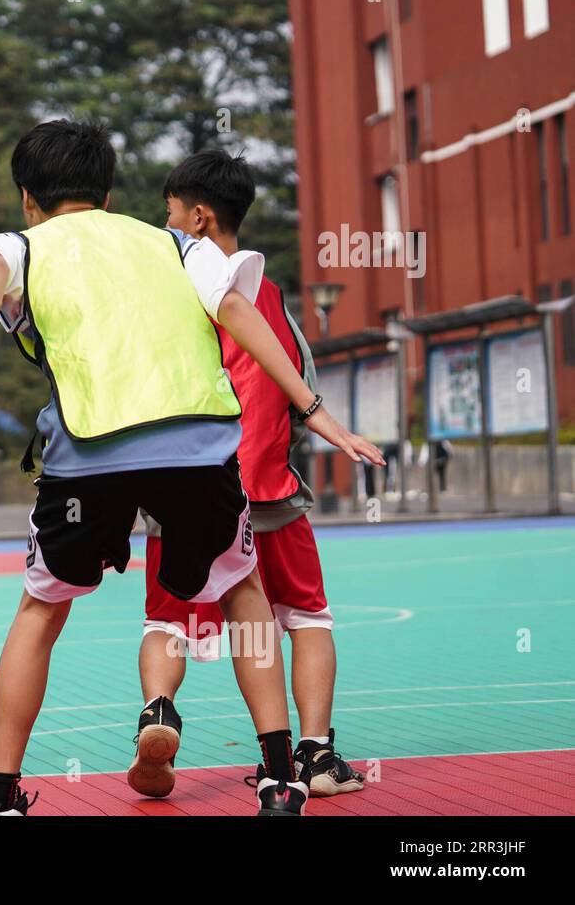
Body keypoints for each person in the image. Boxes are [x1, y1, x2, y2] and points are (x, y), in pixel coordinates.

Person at [0, 120, 383, 816]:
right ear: (106, 193)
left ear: (26, 197)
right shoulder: (174, 242)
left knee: (40, 610)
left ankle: (1, 794)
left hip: (89, 455)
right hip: (195, 450)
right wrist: (312, 407)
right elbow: (233, 305)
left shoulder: (23, 244)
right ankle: (281, 778)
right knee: (244, 592)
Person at [139, 149, 366, 801]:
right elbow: (302, 387)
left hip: (187, 486)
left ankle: (158, 710)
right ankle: (313, 755)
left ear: (200, 218)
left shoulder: (174, 292)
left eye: (172, 214)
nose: (168, 224)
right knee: (306, 617)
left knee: (168, 622)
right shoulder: (269, 297)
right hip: (269, 494)